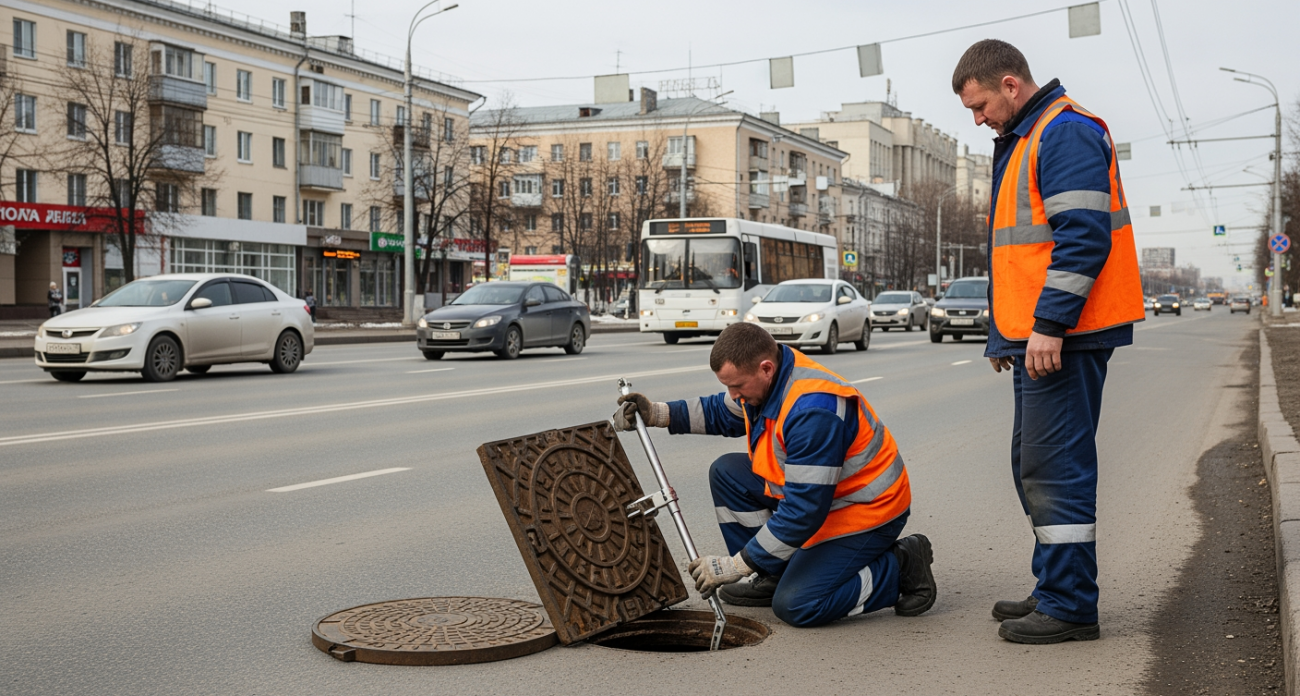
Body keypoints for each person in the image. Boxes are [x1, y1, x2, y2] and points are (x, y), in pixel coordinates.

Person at [951, 40, 1144, 644]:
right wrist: (1004, 336)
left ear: (1010, 85)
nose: (977, 119)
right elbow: (1020, 254)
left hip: (1068, 335)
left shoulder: (1063, 132)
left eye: (980, 106)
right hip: (1042, 336)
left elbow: (1082, 238)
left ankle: (1070, 605)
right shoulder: (1028, 137)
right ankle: (1054, 584)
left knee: (1055, 469)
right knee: (1034, 466)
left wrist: (1049, 325)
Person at [612, 322, 936, 627]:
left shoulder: (813, 409)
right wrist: (657, 413)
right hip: (823, 498)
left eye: (737, 386)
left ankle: (901, 567)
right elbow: (720, 411)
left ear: (765, 368)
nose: (733, 395)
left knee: (798, 605)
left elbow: (803, 512)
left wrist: (737, 565)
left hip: (866, 511)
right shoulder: (768, 379)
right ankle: (774, 572)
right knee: (727, 473)